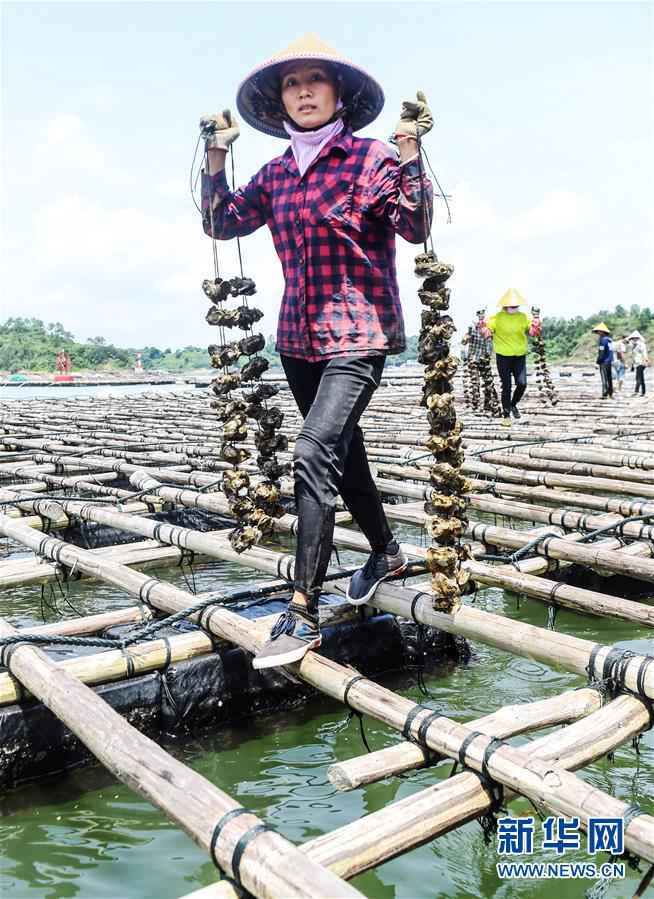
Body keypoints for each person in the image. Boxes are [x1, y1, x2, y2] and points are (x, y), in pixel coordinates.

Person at [200, 34, 434, 668]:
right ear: (279, 103)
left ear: (339, 95)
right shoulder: (275, 174)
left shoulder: (370, 159)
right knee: (340, 450)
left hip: (361, 332)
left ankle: (302, 610)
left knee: (311, 449)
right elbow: (221, 223)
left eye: (314, 80)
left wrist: (411, 151)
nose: (302, 90)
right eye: (291, 83)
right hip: (298, 339)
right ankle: (385, 552)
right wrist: (215, 156)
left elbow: (415, 227)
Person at [480, 289, 541, 425]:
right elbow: (487, 333)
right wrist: (483, 326)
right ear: (505, 306)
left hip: (519, 356)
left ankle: (513, 404)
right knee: (506, 386)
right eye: (511, 306)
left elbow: (532, 333)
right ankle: (506, 415)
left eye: (516, 306)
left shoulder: (524, 317)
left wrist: (536, 322)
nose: (514, 308)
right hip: (503, 357)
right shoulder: (496, 318)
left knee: (522, 384)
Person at [592, 322, 614, 398]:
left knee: (604, 378)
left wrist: (597, 362)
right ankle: (610, 393)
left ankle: (604, 393)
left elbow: (601, 352)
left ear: (602, 332)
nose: (598, 333)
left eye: (599, 331)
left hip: (604, 362)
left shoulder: (603, 340)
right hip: (609, 361)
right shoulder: (610, 340)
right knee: (609, 378)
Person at [627, 330, 649, 396]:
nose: (633, 339)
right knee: (639, 377)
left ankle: (640, 391)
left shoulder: (641, 344)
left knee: (639, 377)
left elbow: (644, 353)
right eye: (633, 338)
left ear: (637, 338)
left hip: (641, 362)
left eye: (634, 338)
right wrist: (632, 365)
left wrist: (646, 360)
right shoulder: (634, 345)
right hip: (637, 363)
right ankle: (640, 391)